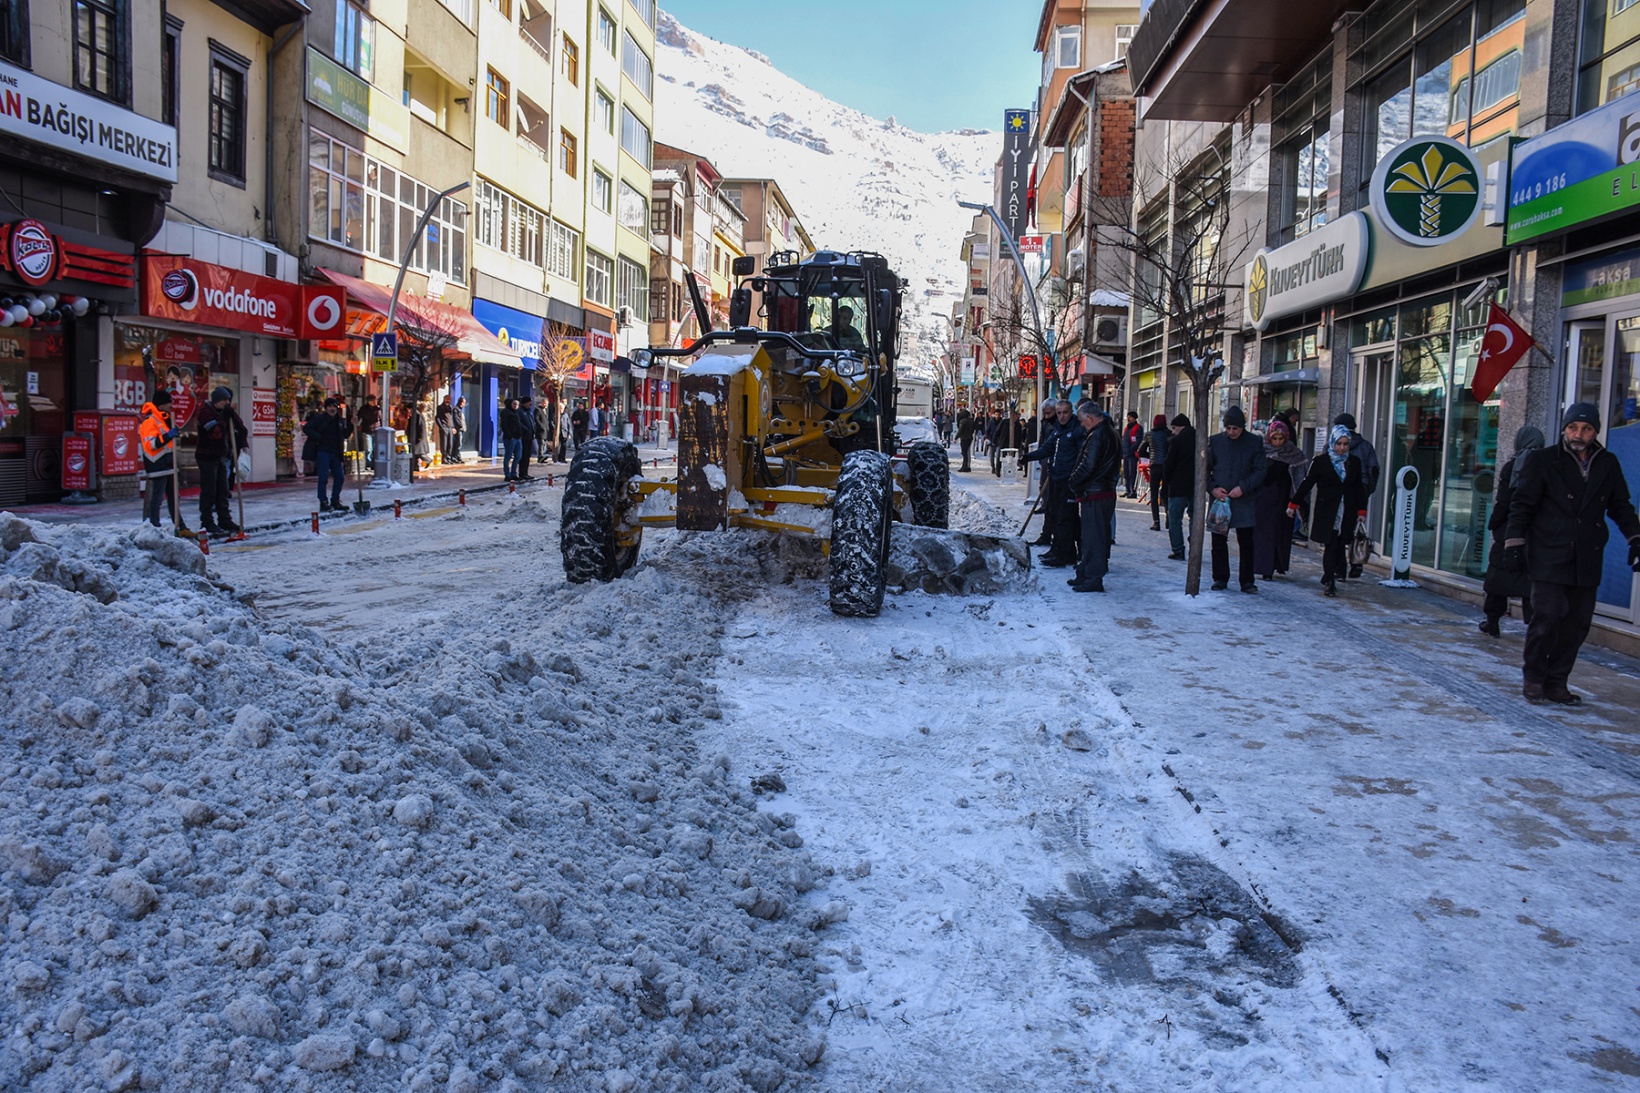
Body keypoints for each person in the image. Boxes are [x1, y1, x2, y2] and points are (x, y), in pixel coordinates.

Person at [1502, 402, 1640, 706]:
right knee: (1547, 615)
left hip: (1587, 554)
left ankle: (1557, 681)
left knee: (1577, 623)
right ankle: (1534, 677)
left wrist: (1635, 538)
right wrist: (1513, 545)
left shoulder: (1607, 463)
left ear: (1595, 432)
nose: (1579, 434)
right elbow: (1522, 505)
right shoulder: (1543, 460)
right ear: (1564, 429)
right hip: (1549, 551)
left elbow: (1620, 506)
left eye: (1586, 429)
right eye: (1573, 427)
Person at [1479, 425, 1546, 637]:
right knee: (1530, 580)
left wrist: (1494, 522)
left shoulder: (1513, 466)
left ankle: (1492, 621)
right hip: (1535, 531)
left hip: (1510, 529)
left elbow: (1504, 501)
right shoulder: (1548, 465)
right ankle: (1534, 627)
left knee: (1498, 577)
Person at [1289, 425, 1368, 597]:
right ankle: (1330, 580)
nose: (1342, 448)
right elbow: (1307, 483)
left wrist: (1362, 511)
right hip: (1327, 511)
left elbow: (1358, 488)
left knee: (1340, 544)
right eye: (1339, 444)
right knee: (1330, 544)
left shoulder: (1354, 462)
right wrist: (1294, 504)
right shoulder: (1321, 462)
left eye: (1345, 444)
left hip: (1346, 511)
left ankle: (1332, 573)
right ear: (1332, 443)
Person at [1206, 405, 1266, 592]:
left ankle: (1247, 581)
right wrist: (1213, 488)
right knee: (1218, 540)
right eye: (1228, 428)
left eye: (1235, 428)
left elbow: (1260, 470)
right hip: (1220, 499)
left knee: (1246, 541)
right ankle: (1220, 577)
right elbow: (1203, 470)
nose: (1232, 432)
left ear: (1242, 427)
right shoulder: (1215, 442)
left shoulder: (1254, 442)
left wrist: (1243, 487)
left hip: (1244, 499)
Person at [1067, 400, 1121, 592]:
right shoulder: (1108, 432)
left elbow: (1088, 465)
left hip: (1097, 491)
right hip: (1101, 490)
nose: (1082, 425)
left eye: (1083, 421)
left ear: (1089, 418)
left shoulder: (1099, 435)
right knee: (1092, 536)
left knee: (1094, 537)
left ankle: (1093, 577)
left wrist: (1073, 481)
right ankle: (1086, 572)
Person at [1022, 399, 1084, 567]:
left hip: (1068, 480)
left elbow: (1081, 455)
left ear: (1071, 412)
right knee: (1055, 514)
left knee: (1066, 517)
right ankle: (1058, 549)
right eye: (1059, 413)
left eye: (1065, 412)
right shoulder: (1057, 429)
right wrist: (1028, 457)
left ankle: (1067, 553)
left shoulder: (1077, 430)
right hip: (1055, 477)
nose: (1062, 416)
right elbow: (1047, 448)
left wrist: (1076, 476)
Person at [1253, 419, 1307, 581]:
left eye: (1281, 438)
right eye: (1274, 438)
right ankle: (1265, 568)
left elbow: (1300, 479)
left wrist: (1297, 501)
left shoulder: (1293, 453)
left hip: (1284, 499)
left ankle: (1277, 564)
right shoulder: (1261, 450)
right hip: (1263, 497)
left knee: (1280, 533)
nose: (1277, 442)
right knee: (1264, 533)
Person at [1332, 412, 1381, 576]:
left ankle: (1339, 567)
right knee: (1355, 527)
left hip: (1338, 492)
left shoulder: (1333, 444)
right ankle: (1356, 560)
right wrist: (1367, 490)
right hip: (1359, 491)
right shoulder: (1366, 446)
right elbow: (1373, 470)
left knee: (1338, 529)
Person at [195, 386, 247, 536]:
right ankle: (207, 521)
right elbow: (216, 433)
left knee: (222, 490)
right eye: (224, 400)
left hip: (220, 456)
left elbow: (241, 428)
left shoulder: (223, 412)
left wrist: (232, 415)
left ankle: (224, 519)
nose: (227, 403)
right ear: (217, 400)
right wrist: (224, 418)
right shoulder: (205, 413)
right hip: (207, 456)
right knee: (209, 490)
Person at [139, 388, 189, 535]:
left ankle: (181, 526)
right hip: (157, 464)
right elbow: (151, 444)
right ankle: (154, 526)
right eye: (168, 403)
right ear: (161, 405)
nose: (170, 406)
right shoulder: (150, 421)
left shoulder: (163, 419)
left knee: (173, 498)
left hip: (168, 463)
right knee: (157, 497)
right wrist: (168, 436)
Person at [1161, 414, 1196, 561]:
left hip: (1178, 485)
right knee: (1194, 517)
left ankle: (1178, 549)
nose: (1173, 431)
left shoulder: (1176, 441)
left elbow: (1169, 464)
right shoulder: (1199, 439)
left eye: (1174, 428)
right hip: (1196, 485)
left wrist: (1167, 481)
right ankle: (1195, 545)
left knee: (1175, 518)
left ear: (1181, 427)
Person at [303, 397, 347, 511]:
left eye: (334, 406)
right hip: (323, 451)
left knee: (339, 477)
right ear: (326, 408)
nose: (332, 409)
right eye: (330, 406)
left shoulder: (339, 420)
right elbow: (307, 428)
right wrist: (318, 437)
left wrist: (352, 425)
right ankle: (323, 502)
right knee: (323, 477)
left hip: (336, 452)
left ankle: (335, 500)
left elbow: (345, 434)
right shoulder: (320, 419)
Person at [1140, 413, 1169, 531]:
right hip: (1167, 466)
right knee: (1166, 492)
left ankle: (1156, 522)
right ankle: (1168, 514)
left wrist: (1151, 455)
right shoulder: (1169, 434)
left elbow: (1140, 451)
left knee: (1154, 493)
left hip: (1155, 466)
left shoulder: (1149, 434)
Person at [992, 408, 1025, 477]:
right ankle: (998, 470)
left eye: (1016, 416)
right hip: (1004, 442)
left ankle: (1010, 472)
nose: (1016, 418)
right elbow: (997, 431)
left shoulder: (1018, 425)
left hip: (1014, 445)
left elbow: (1020, 436)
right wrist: (994, 440)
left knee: (1012, 459)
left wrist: (1019, 445)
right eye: (1015, 416)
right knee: (1000, 457)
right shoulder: (1004, 422)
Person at [500, 397, 525, 481]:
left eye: (517, 404)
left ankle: (514, 473)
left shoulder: (517, 413)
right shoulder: (506, 412)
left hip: (518, 438)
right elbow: (504, 425)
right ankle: (507, 474)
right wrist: (510, 436)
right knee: (508, 456)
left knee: (518, 456)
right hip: (510, 438)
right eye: (514, 404)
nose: (516, 406)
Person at [1121, 410, 1144, 498]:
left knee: (1132, 473)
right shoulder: (1126, 428)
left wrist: (1131, 448)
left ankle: (1132, 491)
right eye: (1128, 417)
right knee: (1126, 473)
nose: (1128, 419)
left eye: (1130, 417)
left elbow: (1138, 440)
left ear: (1134, 418)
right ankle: (1127, 490)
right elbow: (1124, 439)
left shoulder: (1138, 428)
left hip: (1132, 454)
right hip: (1126, 454)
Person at [357, 394, 381, 463]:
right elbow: (358, 417)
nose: (375, 402)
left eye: (375, 400)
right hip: (367, 430)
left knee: (376, 448)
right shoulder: (364, 409)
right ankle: (369, 463)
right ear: (369, 401)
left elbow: (381, 419)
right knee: (368, 448)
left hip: (377, 431)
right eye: (373, 401)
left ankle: (375, 463)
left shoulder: (378, 409)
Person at [518, 395, 538, 480]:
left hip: (530, 436)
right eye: (529, 402)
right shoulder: (520, 411)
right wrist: (526, 429)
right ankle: (522, 473)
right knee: (524, 455)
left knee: (527, 455)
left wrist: (534, 430)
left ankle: (525, 472)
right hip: (524, 436)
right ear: (525, 403)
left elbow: (532, 422)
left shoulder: (529, 411)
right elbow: (519, 423)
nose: (530, 404)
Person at [436, 395, 458, 464]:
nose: (448, 400)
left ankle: (449, 457)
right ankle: (444, 458)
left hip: (450, 427)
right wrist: (441, 427)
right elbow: (437, 418)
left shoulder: (450, 408)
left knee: (450, 444)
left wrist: (453, 427)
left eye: (449, 399)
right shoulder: (440, 407)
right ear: (444, 399)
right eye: (447, 399)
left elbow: (451, 418)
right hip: (444, 427)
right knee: (444, 444)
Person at [451, 396, 467, 463]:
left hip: (461, 429)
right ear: (461, 403)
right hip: (458, 429)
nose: (464, 404)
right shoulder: (456, 409)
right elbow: (456, 418)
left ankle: (458, 456)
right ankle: (455, 456)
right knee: (458, 444)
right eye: (464, 402)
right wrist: (460, 425)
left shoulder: (460, 409)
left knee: (459, 444)